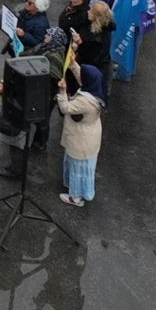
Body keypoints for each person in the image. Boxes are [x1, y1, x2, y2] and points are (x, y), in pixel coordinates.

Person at [56, 65, 104, 208]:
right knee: (83, 166)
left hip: (80, 138)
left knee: (77, 167)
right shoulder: (96, 90)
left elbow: (65, 108)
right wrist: (73, 63)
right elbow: (82, 78)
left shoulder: (84, 102)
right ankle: (78, 190)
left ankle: (75, 197)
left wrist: (62, 91)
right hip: (90, 137)